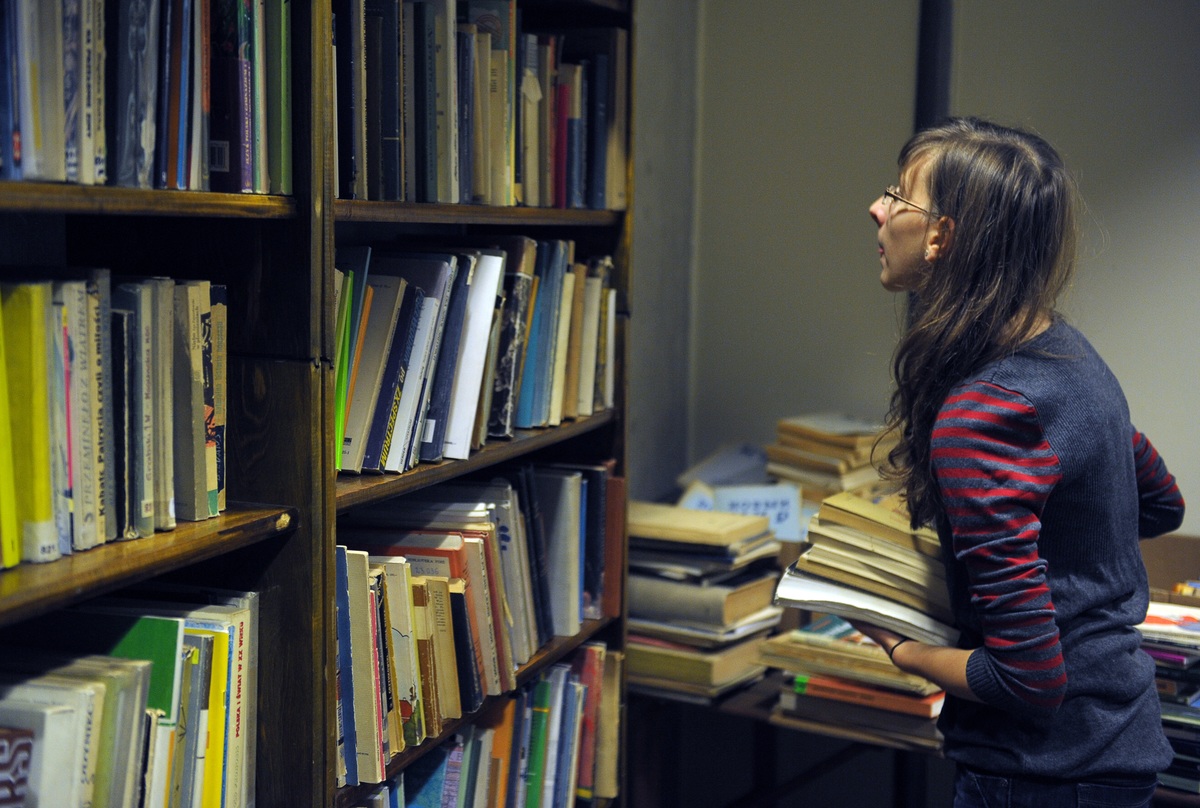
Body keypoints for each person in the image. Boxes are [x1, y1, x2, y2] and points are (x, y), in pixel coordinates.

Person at [856, 116, 1187, 807]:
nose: (877, 209)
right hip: (1117, 743)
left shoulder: (984, 411)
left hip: (1040, 775)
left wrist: (900, 646)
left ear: (942, 235)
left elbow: (1027, 681)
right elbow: (1159, 503)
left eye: (898, 195)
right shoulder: (1070, 355)